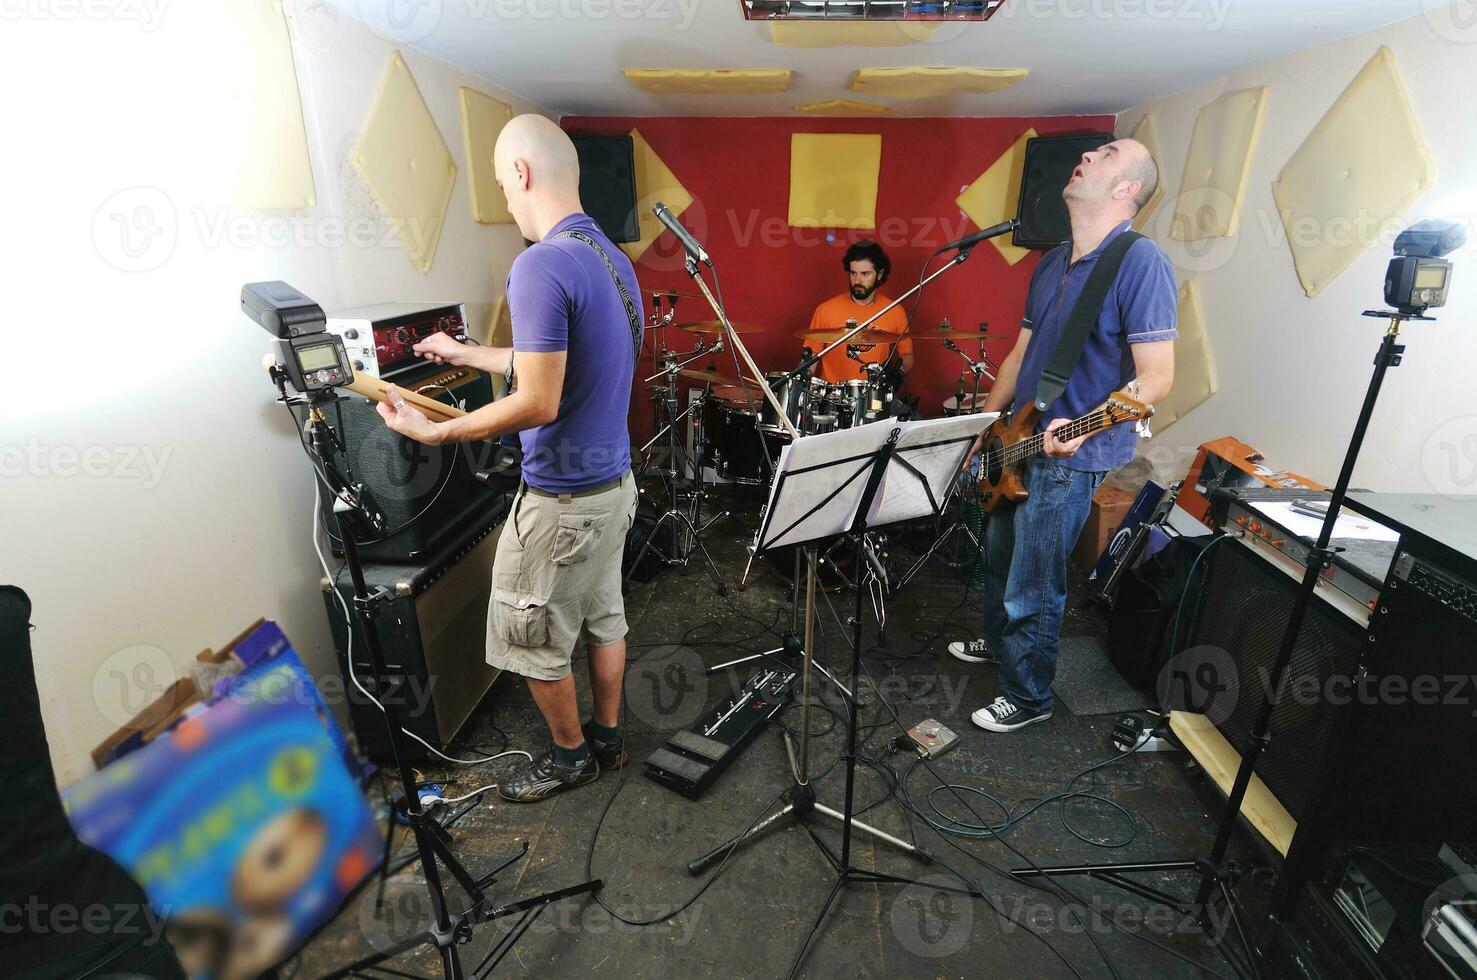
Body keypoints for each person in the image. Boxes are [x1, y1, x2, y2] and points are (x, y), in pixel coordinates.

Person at [376, 114, 642, 801]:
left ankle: (568, 758)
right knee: (604, 615)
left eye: (500, 183)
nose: (503, 198)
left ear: (521, 174)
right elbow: (551, 360)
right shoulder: (613, 261)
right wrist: (467, 355)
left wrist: (439, 433)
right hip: (614, 487)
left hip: (561, 504)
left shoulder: (539, 264)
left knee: (529, 639)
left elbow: (537, 400)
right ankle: (609, 737)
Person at [952, 138, 1176, 734]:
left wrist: (1086, 427)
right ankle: (1002, 646)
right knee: (1000, 559)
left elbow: (1157, 379)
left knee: (1035, 578)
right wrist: (987, 427)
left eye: (1106, 154)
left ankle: (1027, 697)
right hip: (1017, 442)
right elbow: (1018, 354)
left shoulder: (1139, 260)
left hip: (1071, 455)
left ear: (1126, 189)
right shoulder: (1052, 260)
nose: (1087, 156)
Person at [806, 240, 914, 385]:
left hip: (873, 397)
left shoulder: (894, 310)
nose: (857, 280)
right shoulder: (825, 310)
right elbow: (811, 358)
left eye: (865, 274)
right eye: (853, 273)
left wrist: (898, 373)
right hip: (832, 399)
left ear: (879, 274)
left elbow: (907, 356)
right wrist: (801, 381)